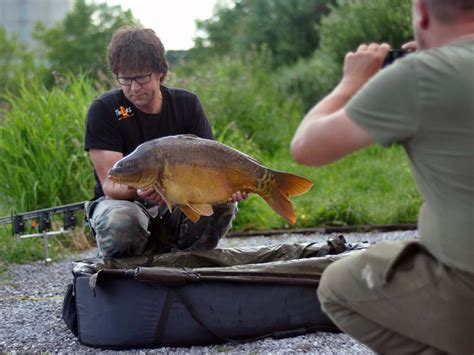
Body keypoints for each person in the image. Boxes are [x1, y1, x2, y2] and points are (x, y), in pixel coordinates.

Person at [291, 0, 474, 353]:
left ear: (421, 11)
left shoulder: (421, 75)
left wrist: (351, 82)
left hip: (464, 286)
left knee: (337, 286)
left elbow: (307, 146)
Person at [84, 26, 246, 258]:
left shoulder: (187, 105)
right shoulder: (105, 110)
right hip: (122, 203)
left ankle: (188, 266)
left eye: (141, 77)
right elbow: (111, 185)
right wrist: (141, 190)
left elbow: (212, 168)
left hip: (181, 201)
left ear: (160, 72)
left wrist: (228, 187)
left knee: (223, 205)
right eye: (125, 79)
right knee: (121, 221)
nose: (134, 87)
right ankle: (130, 273)